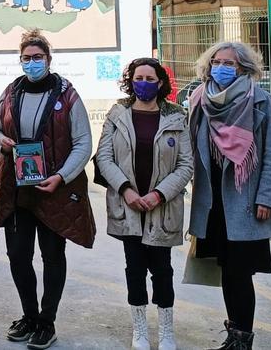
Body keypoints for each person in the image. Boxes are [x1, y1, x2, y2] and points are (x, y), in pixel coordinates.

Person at [0, 29, 95, 350]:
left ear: (48, 59)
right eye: (26, 58)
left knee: (52, 256)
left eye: (37, 58)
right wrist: (0, 140)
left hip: (53, 191)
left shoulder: (67, 95)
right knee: (18, 256)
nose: (31, 63)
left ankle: (47, 322)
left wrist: (62, 176)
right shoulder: (9, 93)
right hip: (17, 192)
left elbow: (83, 142)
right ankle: (29, 316)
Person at [187, 43, 271, 350]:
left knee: (240, 272)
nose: (221, 67)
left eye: (228, 62)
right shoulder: (200, 99)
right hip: (213, 200)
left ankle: (243, 339)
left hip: (244, 201)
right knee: (226, 271)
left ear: (243, 67)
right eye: (216, 61)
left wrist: (266, 197)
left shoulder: (260, 101)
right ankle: (234, 335)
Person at [94, 58, 193, 350]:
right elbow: (104, 157)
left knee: (162, 270)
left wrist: (158, 194)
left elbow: (186, 164)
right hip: (129, 206)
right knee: (134, 268)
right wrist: (125, 190)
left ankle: (166, 331)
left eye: (151, 79)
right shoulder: (117, 113)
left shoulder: (177, 116)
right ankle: (139, 329)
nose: (145, 84)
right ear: (131, 80)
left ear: (161, 82)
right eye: (140, 78)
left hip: (162, 207)